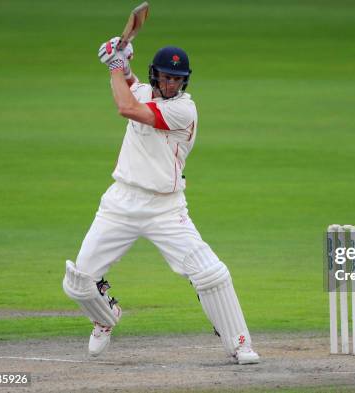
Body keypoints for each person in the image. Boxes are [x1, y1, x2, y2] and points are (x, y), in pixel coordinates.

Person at [62, 37, 260, 364]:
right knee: (78, 282)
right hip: (121, 201)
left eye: (177, 79)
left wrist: (113, 66)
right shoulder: (143, 90)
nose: (171, 84)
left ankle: (240, 344)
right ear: (155, 75)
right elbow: (132, 87)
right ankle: (104, 316)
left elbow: (126, 107)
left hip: (165, 208)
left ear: (185, 81)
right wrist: (122, 62)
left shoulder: (184, 109)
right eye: (166, 77)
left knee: (212, 274)